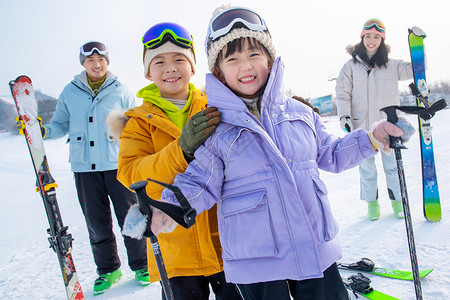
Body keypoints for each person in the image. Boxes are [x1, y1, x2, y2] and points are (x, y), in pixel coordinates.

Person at [144, 6, 411, 300]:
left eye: (254, 55)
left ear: (270, 61)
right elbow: (198, 182)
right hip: (258, 268)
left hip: (315, 253)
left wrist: (373, 137)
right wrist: (164, 210)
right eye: (233, 59)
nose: (245, 66)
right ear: (219, 72)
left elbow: (332, 153)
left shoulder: (299, 114)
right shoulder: (217, 130)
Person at [109, 23, 241, 300]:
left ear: (192, 67)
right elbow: (132, 175)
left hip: (229, 243)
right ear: (148, 71)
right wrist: (180, 150)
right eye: (159, 62)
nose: (170, 68)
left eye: (179, 59)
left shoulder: (216, 105)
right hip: (176, 252)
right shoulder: (137, 123)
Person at [41, 41, 149, 295]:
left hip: (116, 164)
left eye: (100, 60)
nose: (96, 64)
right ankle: (109, 270)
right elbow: (59, 125)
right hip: (84, 168)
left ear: (107, 62)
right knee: (96, 221)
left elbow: (135, 123)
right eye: (90, 60)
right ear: (83, 63)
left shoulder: (120, 90)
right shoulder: (70, 92)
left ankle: (142, 265)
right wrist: (41, 131)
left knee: (130, 216)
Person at [335, 19, 414, 221]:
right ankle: (372, 204)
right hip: (362, 126)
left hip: (388, 125)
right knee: (367, 167)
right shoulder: (350, 66)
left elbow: (416, 69)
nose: (372, 40)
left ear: (382, 39)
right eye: (368, 36)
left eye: (377, 37)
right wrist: (344, 116)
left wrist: (417, 46)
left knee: (392, 165)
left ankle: (398, 202)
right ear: (362, 37)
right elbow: (342, 93)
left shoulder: (393, 65)